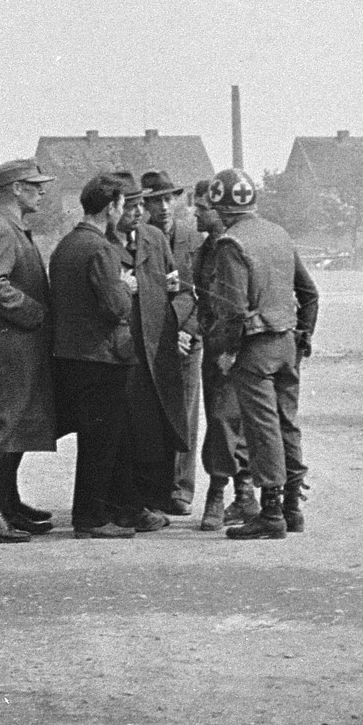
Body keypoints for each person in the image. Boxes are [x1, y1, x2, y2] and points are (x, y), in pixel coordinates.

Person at [205, 169, 320, 538]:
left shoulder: (230, 244)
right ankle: (292, 508)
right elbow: (310, 293)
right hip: (287, 343)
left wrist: (225, 350)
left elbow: (233, 310)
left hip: (254, 349)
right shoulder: (279, 234)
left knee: (261, 427)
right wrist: (303, 335)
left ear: (221, 208)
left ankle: (270, 514)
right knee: (287, 423)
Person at [0, 158, 57, 542]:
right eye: (35, 185)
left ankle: (7, 502)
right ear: (17, 189)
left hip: (17, 345)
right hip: (9, 346)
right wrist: (34, 311)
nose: (42, 191)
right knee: (10, 424)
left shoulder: (9, 227)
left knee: (16, 424)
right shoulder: (0, 230)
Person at [50, 174, 141, 538]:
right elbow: (114, 307)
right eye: (122, 205)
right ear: (110, 207)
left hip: (71, 356)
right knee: (101, 442)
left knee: (96, 438)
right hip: (103, 359)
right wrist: (127, 286)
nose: (123, 211)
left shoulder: (66, 245)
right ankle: (90, 518)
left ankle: (106, 511)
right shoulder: (101, 249)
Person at [115, 173, 187, 524]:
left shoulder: (154, 238)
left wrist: (179, 325)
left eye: (140, 204)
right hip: (125, 351)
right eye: (131, 205)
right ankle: (133, 503)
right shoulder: (103, 243)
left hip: (159, 346)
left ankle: (158, 498)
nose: (140, 211)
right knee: (130, 426)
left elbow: (178, 287)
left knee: (162, 422)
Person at [190, 178, 256, 530]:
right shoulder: (203, 252)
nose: (196, 214)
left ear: (218, 210)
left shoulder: (239, 246)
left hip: (238, 348)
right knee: (223, 419)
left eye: (201, 208)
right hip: (213, 348)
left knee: (228, 418)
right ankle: (240, 494)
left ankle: (224, 491)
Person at [143, 169, 202, 514]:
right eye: (155, 200)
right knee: (151, 412)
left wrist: (187, 331)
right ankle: (154, 487)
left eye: (168, 198)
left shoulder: (194, 241)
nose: (163, 206)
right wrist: (163, 334)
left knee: (186, 414)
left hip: (186, 340)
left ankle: (181, 489)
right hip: (154, 339)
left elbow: (202, 294)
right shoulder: (140, 238)